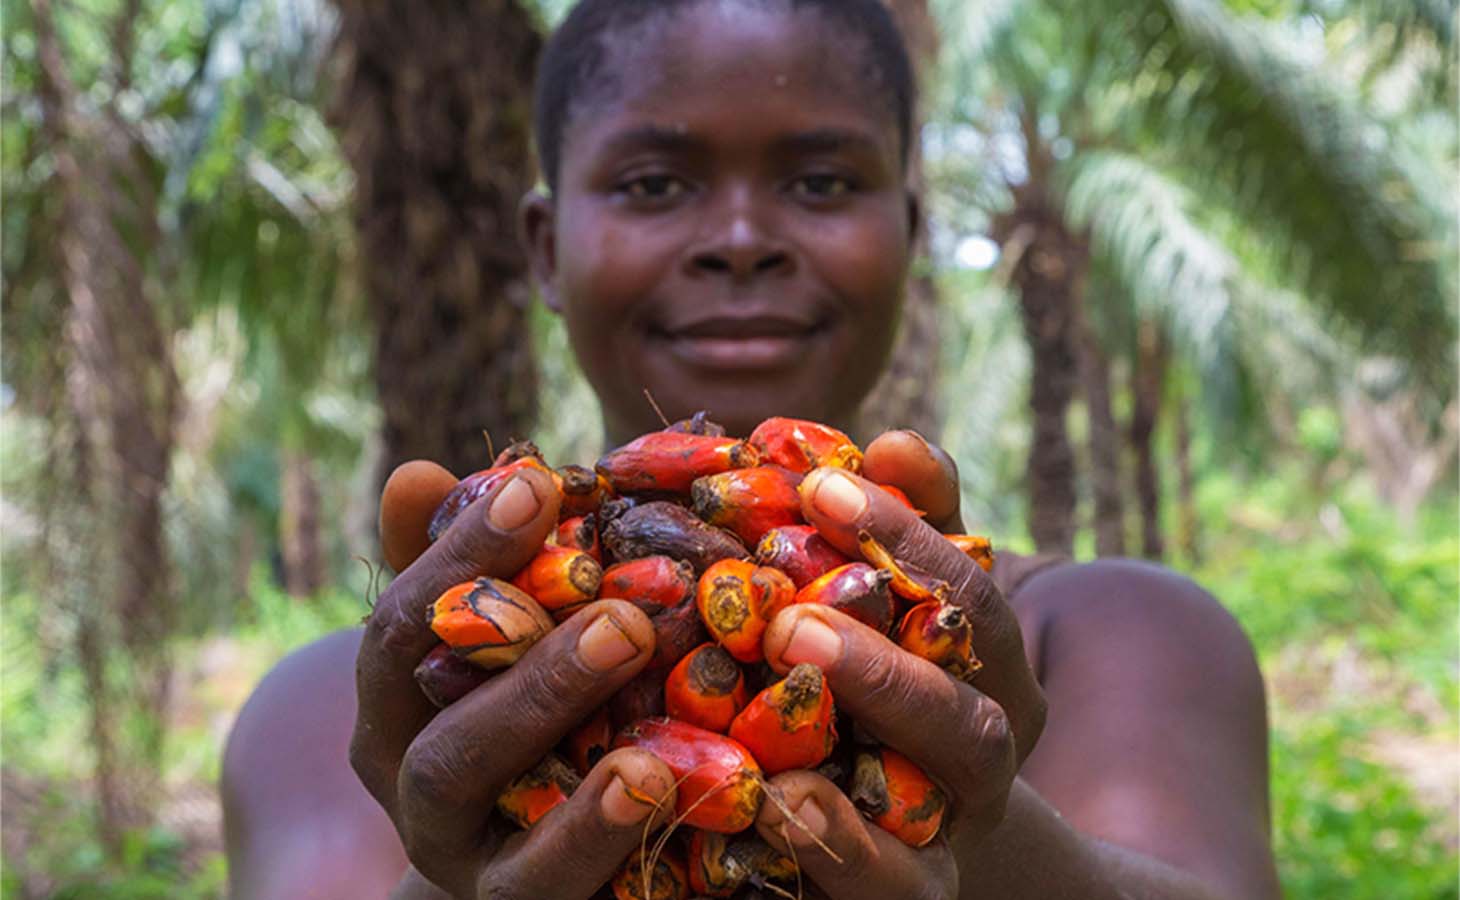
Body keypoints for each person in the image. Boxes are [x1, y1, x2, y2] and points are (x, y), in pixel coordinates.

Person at [222, 0, 1279, 897]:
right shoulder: (328, 712)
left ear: (910, 235)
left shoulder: (1115, 633)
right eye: (653, 184)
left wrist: (977, 816)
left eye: (818, 183)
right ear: (546, 250)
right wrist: (447, 867)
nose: (740, 239)